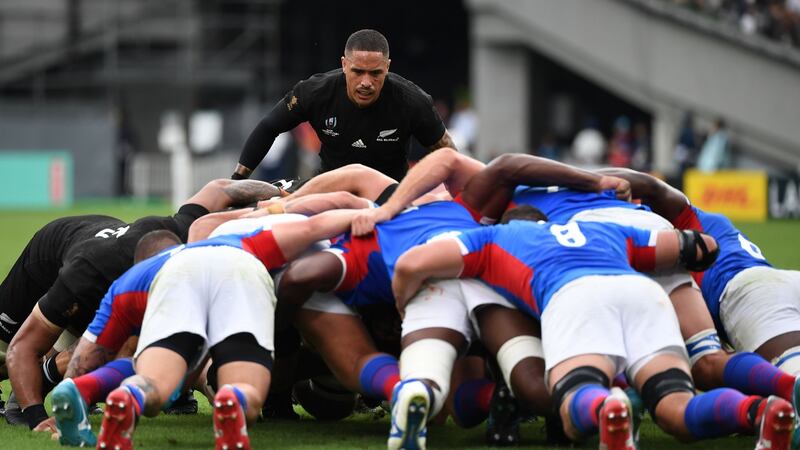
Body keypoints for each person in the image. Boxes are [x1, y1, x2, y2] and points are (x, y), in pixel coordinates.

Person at [390, 217, 794, 450]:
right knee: (676, 407)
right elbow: (697, 248)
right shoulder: (604, 230)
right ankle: (759, 411)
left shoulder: (494, 236)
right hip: (642, 294)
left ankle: (605, 408)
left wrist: (402, 303)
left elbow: (412, 265)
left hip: (575, 298)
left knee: (570, 412)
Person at [0, 179, 282, 430]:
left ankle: (181, 390)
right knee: (8, 351)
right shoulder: (86, 277)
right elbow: (22, 347)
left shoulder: (183, 232)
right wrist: (37, 417)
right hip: (51, 255)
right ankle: (28, 393)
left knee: (130, 348)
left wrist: (280, 193)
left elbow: (220, 189)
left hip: (110, 258)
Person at [231, 29, 455, 182]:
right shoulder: (314, 92)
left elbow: (448, 153)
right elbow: (268, 127)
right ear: (344, 64)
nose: (366, 82)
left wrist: (465, 203)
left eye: (375, 73)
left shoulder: (412, 100)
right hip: (329, 189)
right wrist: (238, 181)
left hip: (389, 193)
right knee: (224, 192)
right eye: (358, 72)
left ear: (387, 67)